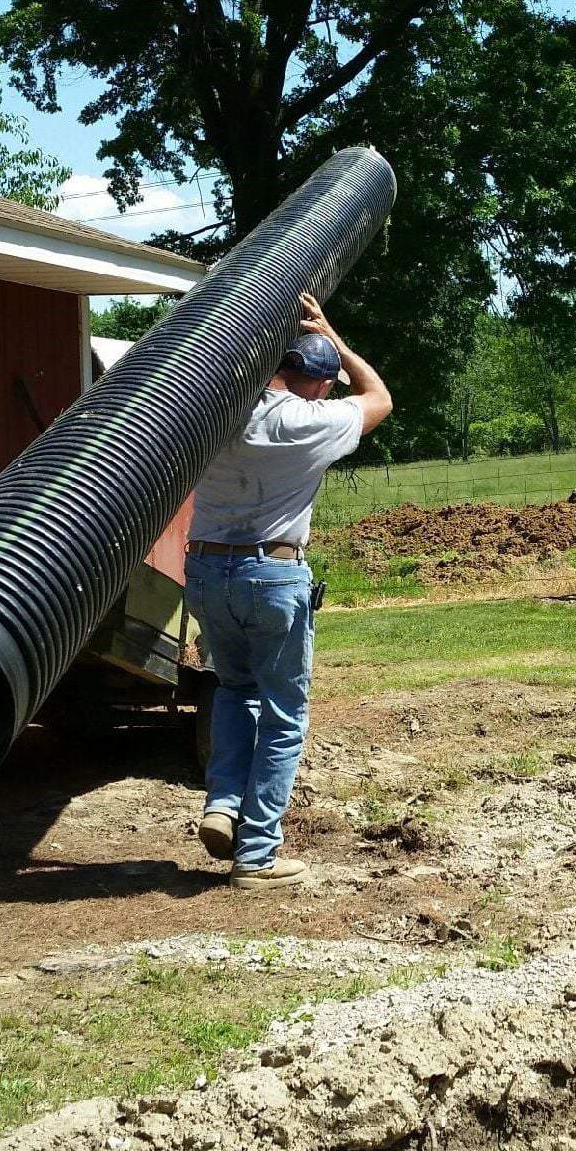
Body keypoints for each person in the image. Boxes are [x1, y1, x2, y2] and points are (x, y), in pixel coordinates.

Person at [185, 292, 392, 889]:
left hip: (204, 572)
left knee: (232, 690)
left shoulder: (218, 410)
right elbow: (379, 398)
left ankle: (223, 805)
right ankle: (257, 854)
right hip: (273, 577)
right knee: (282, 714)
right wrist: (340, 339)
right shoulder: (313, 423)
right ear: (321, 385)